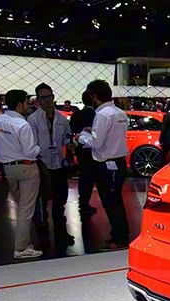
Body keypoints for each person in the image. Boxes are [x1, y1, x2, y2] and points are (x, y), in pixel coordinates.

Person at [76, 80, 130, 250]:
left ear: (94, 96)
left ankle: (119, 239)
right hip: (119, 163)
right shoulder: (120, 113)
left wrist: (80, 138)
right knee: (116, 201)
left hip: (106, 165)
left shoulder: (102, 115)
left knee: (111, 202)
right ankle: (120, 236)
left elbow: (96, 143)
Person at [0, 90, 42, 260]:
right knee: (26, 210)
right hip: (27, 168)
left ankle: (24, 243)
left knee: (22, 208)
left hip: (8, 169)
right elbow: (30, 151)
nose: (28, 106)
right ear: (19, 104)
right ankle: (21, 248)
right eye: (26, 103)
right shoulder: (22, 124)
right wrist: (39, 148)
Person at [28, 83, 74, 247]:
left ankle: (61, 232)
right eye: (43, 97)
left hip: (59, 164)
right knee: (41, 202)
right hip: (41, 165)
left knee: (60, 201)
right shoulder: (33, 120)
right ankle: (42, 233)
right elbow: (32, 144)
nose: (47, 100)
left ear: (53, 97)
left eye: (49, 96)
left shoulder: (62, 118)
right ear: (37, 100)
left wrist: (70, 145)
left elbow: (67, 138)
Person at [69, 91, 97, 214]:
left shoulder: (76, 115)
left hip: (80, 149)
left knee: (84, 175)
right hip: (93, 149)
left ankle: (83, 202)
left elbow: (71, 131)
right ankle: (85, 203)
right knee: (91, 177)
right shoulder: (96, 115)